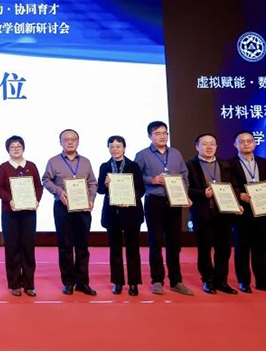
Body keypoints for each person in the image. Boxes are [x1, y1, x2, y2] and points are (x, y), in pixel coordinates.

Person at [134, 121, 193, 296]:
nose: (162, 136)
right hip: (154, 201)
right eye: (157, 133)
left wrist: (184, 193)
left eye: (164, 133)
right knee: (155, 241)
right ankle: (157, 280)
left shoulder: (175, 153)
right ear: (149, 136)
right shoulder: (143, 155)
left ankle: (176, 281)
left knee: (174, 243)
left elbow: (184, 175)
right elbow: (136, 177)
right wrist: (151, 180)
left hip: (174, 201)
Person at [226, 130, 266, 294]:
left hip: (263, 211)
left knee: (261, 249)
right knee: (242, 249)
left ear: (255, 143)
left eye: (249, 141)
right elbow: (226, 185)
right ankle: (244, 281)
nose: (246, 144)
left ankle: (263, 282)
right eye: (242, 141)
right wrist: (238, 195)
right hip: (242, 212)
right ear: (235, 145)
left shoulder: (265, 163)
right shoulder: (229, 164)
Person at [42, 129, 98, 296]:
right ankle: (68, 282)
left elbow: (92, 182)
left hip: (83, 208)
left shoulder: (86, 162)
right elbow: (46, 180)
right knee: (65, 246)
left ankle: (82, 283)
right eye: (66, 139)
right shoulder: (53, 161)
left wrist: (91, 199)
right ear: (60, 142)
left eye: (73, 139)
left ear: (78, 141)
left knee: (82, 247)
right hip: (62, 208)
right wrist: (59, 192)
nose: (70, 142)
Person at [186, 133, 237, 295]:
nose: (209, 147)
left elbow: (233, 186)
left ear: (216, 146)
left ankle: (221, 281)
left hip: (224, 213)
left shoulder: (225, 164)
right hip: (203, 213)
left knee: (224, 249)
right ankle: (207, 280)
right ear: (197, 147)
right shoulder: (190, 165)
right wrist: (203, 194)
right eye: (204, 144)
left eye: (212, 144)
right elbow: (184, 189)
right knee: (205, 249)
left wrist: (236, 203)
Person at [0, 135, 43, 297]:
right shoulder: (4, 167)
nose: (16, 149)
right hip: (10, 213)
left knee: (28, 247)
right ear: (8, 149)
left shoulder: (31, 166)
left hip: (29, 213)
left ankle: (29, 284)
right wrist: (10, 200)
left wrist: (36, 200)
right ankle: (14, 284)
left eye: (18, 146)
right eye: (12, 146)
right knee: (12, 247)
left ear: (23, 148)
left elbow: (38, 186)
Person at [96, 135, 145, 296]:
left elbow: (141, 189)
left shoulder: (133, 166)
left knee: (133, 249)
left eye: (118, 146)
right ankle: (117, 282)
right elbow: (100, 190)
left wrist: (130, 199)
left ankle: (133, 283)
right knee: (115, 250)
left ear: (124, 148)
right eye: (112, 146)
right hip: (112, 214)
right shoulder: (104, 166)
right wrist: (105, 184)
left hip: (131, 212)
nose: (115, 149)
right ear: (108, 149)